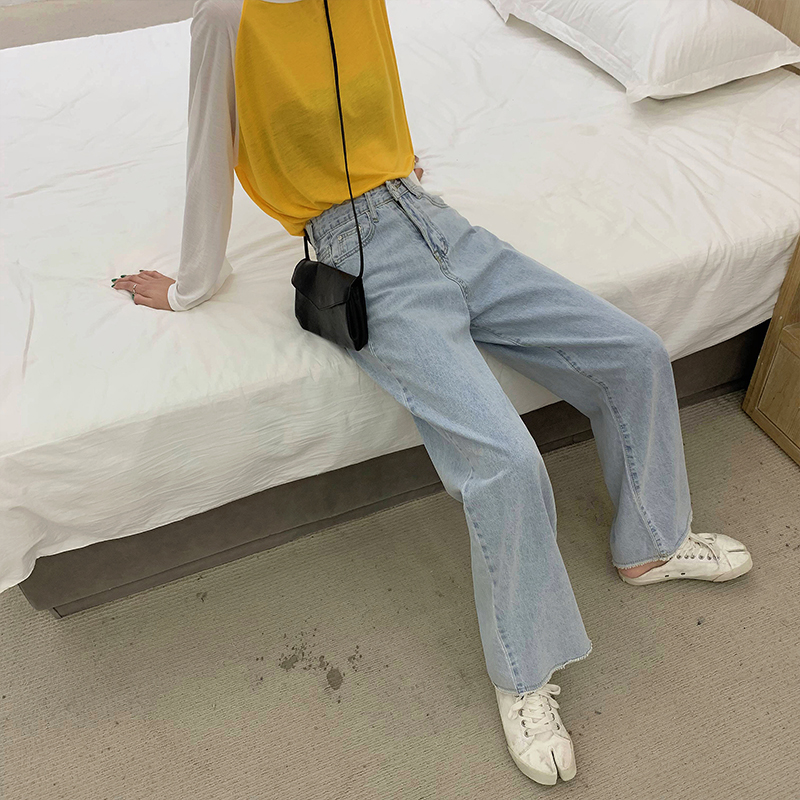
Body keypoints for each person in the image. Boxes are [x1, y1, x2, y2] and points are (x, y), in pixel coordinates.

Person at [111, 0, 754, 786]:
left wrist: (404, 164)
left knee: (636, 353)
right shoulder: (226, 15)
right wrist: (190, 287)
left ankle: (652, 545)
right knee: (505, 463)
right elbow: (208, 153)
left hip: (432, 219)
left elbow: (377, 88)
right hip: (354, 254)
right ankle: (523, 673)